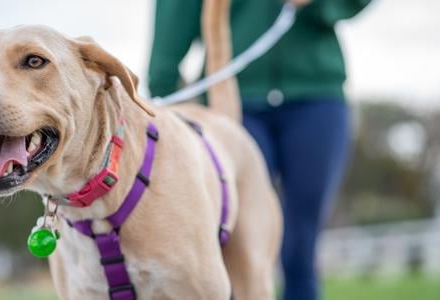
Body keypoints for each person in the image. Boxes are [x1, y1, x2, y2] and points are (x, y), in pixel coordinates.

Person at [147, 0, 371, 299]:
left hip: (316, 98)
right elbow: (174, 19)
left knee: (300, 248)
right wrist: (166, 101)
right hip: (231, 100)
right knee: (228, 241)